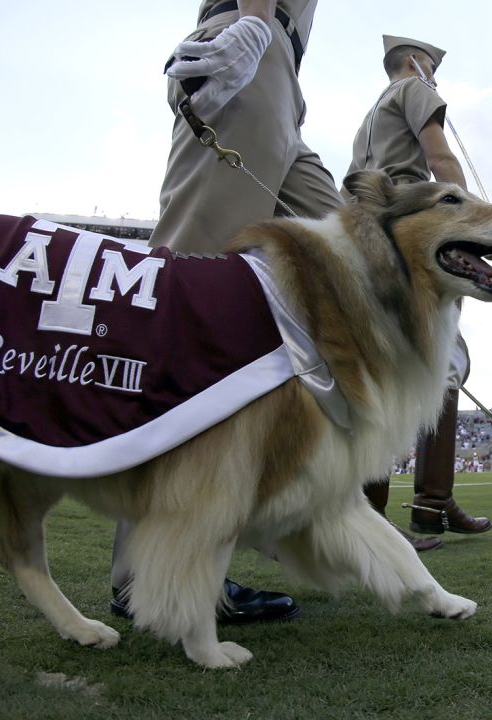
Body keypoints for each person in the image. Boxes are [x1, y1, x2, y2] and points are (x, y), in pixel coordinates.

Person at [110, 0, 339, 625]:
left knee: (347, 250)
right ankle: (143, 572)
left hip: (283, 78)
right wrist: (258, 26)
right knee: (188, 291)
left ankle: (306, 513)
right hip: (252, 43)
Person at [345, 35, 492, 537]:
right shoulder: (414, 89)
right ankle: (426, 504)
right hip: (417, 235)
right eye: (432, 68)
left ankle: (385, 511)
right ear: (414, 63)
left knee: (386, 366)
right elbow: (441, 160)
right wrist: (480, 228)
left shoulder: (370, 116)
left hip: (371, 237)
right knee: (442, 365)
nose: (436, 79)